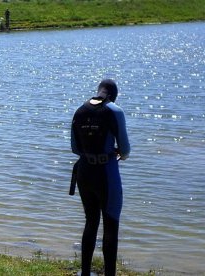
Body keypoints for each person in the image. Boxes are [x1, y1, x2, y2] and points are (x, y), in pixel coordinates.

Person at [70, 79, 130, 276]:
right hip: (106, 173)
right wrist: (117, 152)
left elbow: (75, 148)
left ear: (98, 91)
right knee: (111, 224)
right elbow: (126, 150)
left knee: (91, 221)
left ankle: (85, 272)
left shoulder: (79, 111)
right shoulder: (114, 111)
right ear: (113, 95)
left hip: (85, 172)